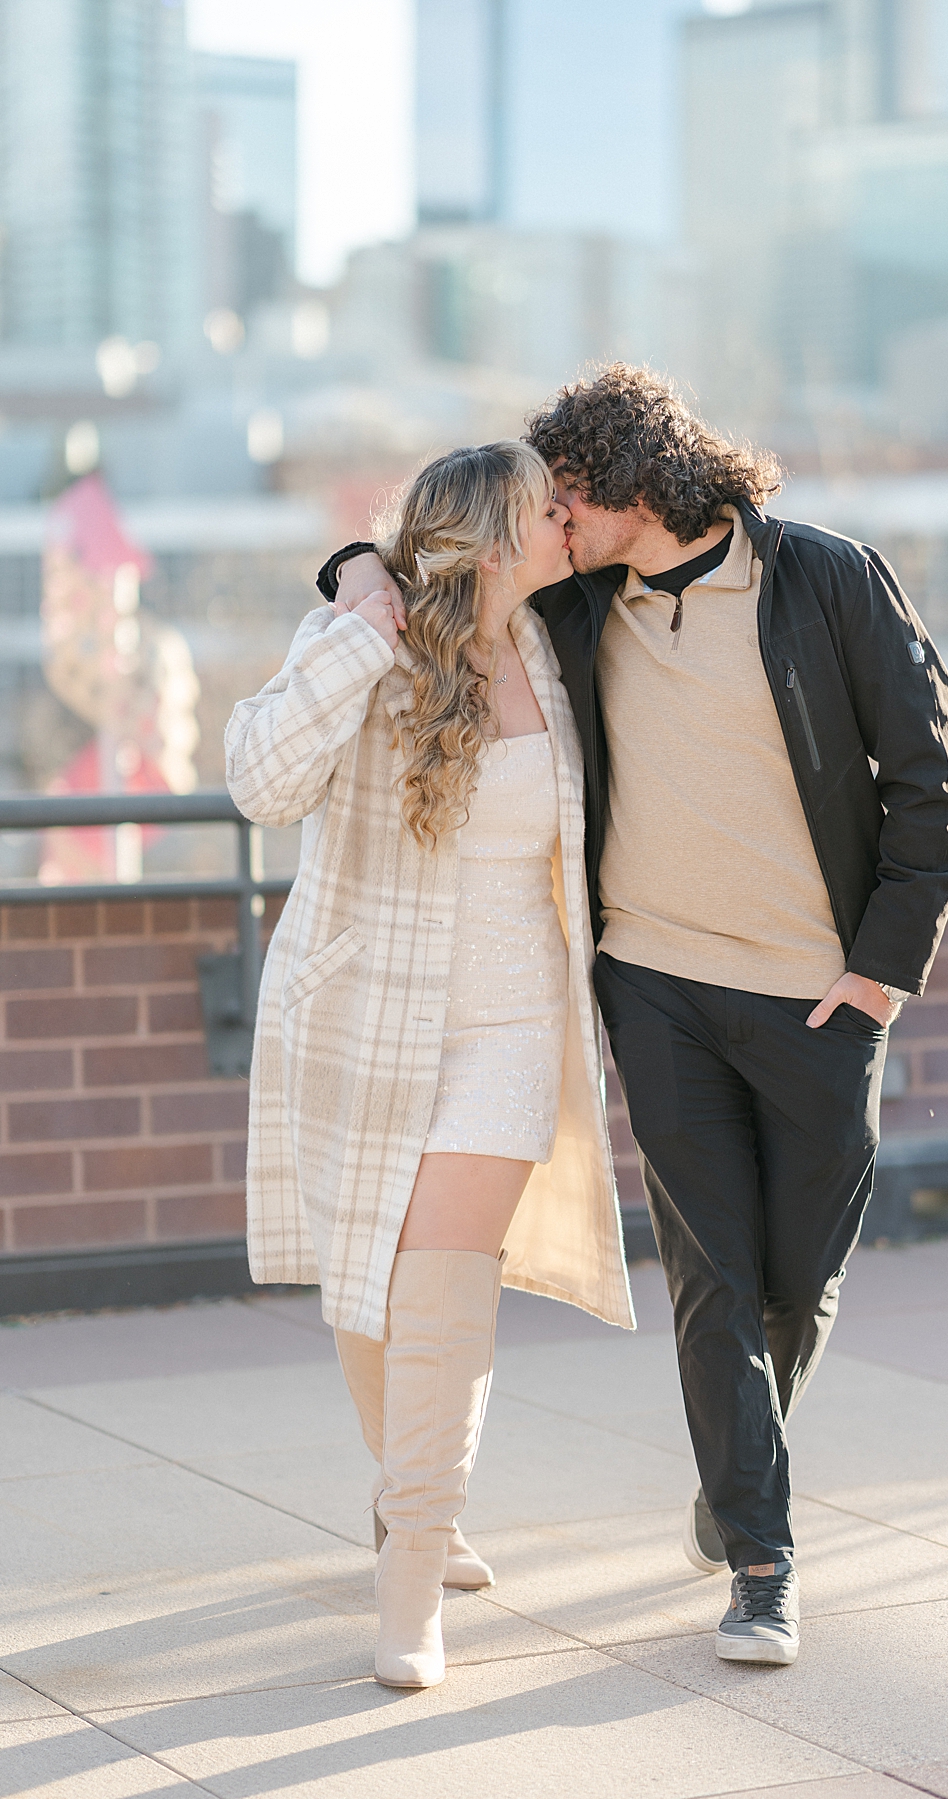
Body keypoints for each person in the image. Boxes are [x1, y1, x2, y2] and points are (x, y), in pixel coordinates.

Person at [322, 365, 948, 1668]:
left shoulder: (828, 580)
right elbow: (440, 556)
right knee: (711, 1280)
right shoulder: (574, 601)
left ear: (633, 489)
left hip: (818, 994)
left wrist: (882, 969)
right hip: (654, 982)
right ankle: (762, 1559)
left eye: (567, 504)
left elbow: (930, 778)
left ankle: (744, 1459)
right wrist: (351, 564)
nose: (549, 529)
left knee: (801, 1278)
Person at [226, 441, 634, 1692]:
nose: (569, 524)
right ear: (490, 537)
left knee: (443, 1279)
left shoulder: (556, 642)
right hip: (365, 1008)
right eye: (546, 510)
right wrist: (354, 616)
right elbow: (258, 780)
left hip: (514, 1022)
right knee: (376, 1291)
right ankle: (426, 1507)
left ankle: (409, 1574)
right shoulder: (365, 638)